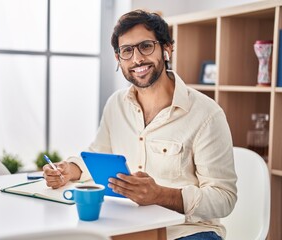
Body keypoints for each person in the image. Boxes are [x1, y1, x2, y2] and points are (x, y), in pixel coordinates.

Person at [43, 9, 237, 240]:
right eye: (127, 51)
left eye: (146, 46)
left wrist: (160, 195)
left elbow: (224, 198)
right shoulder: (116, 104)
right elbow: (97, 156)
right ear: (118, 59)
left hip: (188, 232)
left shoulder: (207, 114)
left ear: (167, 48)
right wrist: (69, 171)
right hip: (127, 227)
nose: (137, 59)